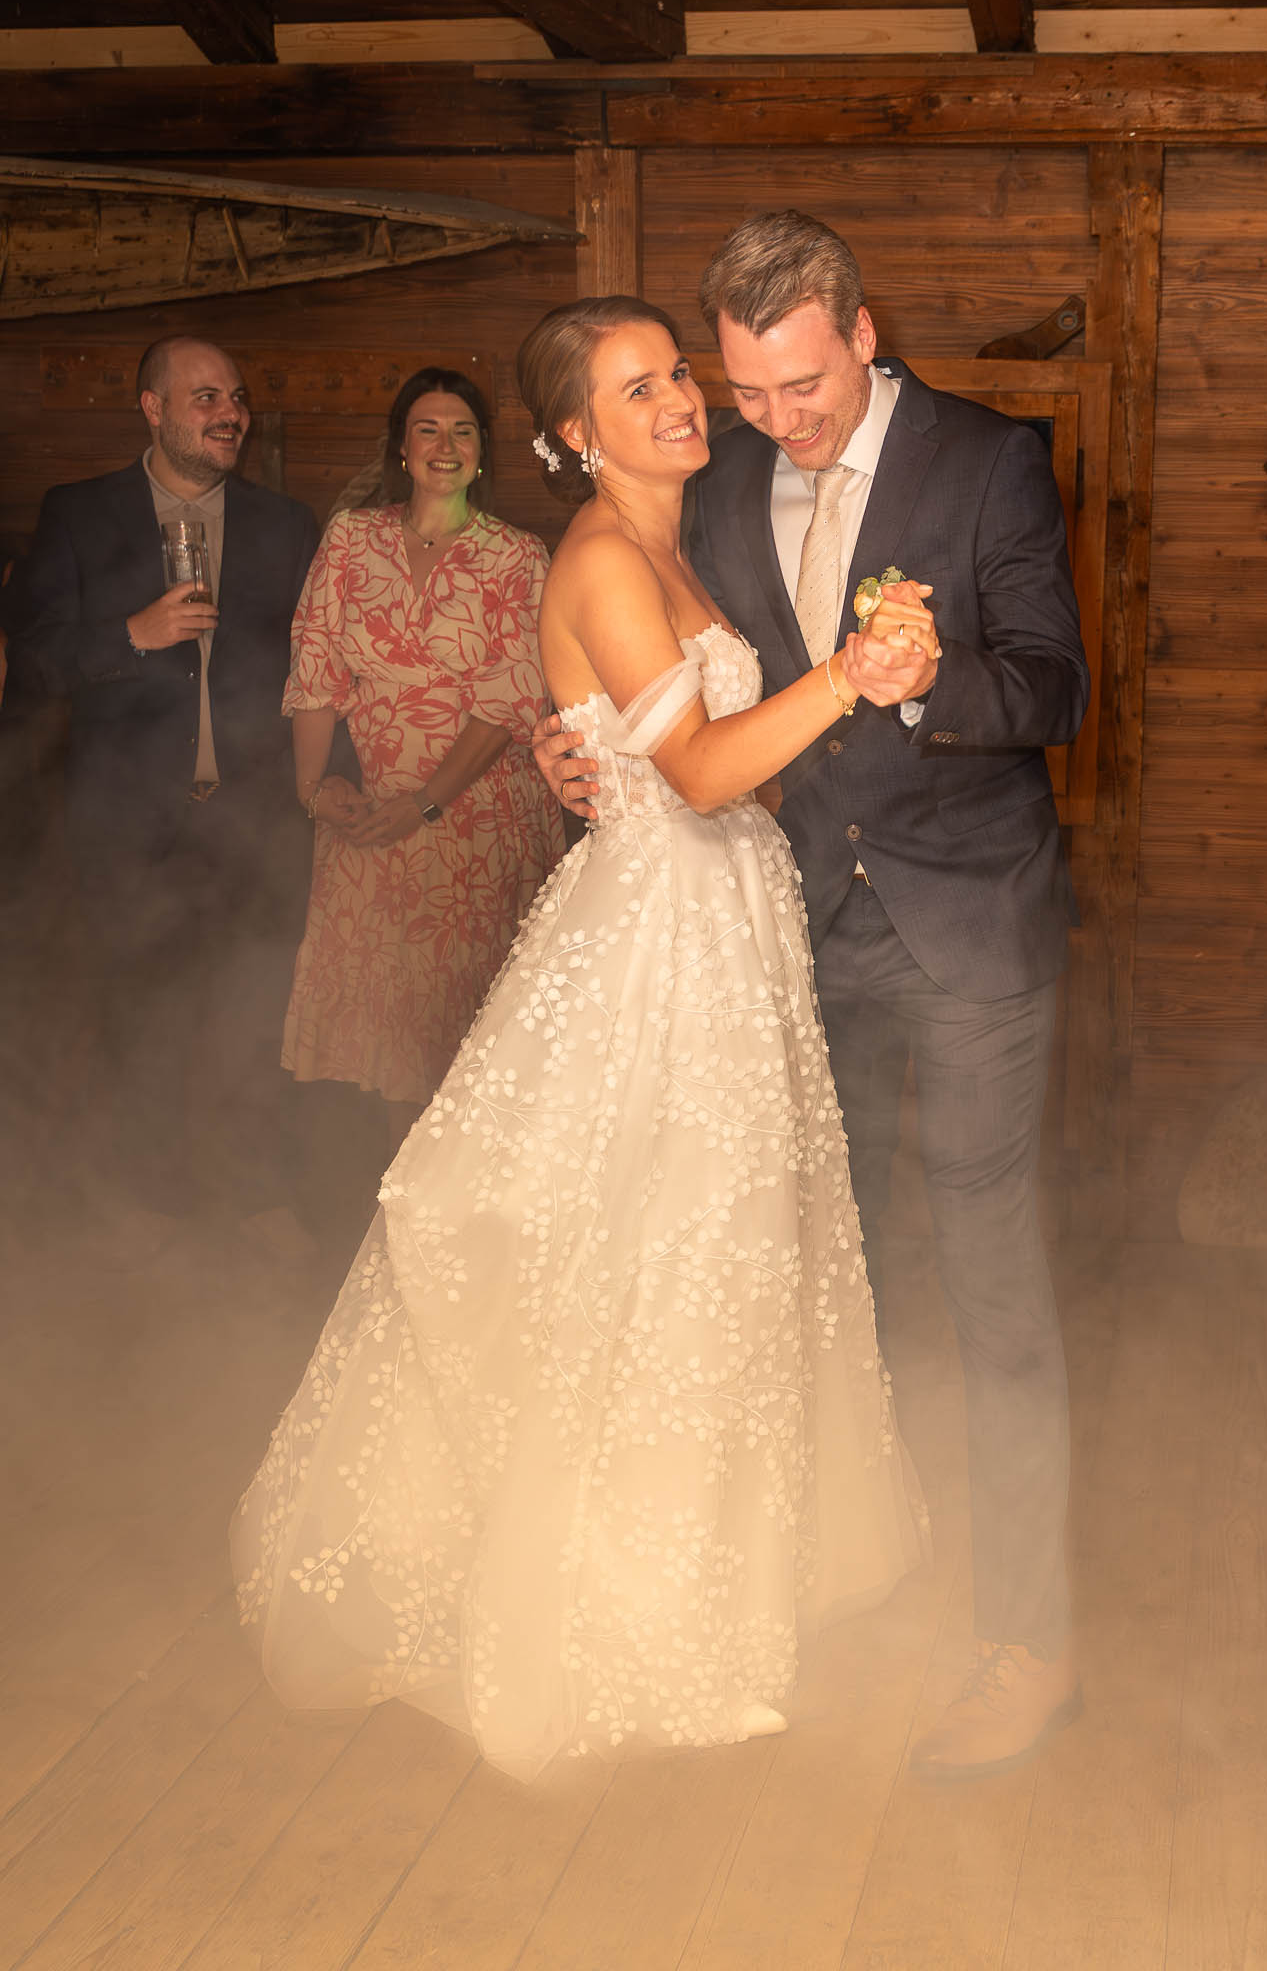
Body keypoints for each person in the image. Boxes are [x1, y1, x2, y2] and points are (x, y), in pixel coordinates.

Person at [231, 297, 927, 1783]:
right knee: (656, 1250)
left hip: (727, 925)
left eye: (675, 372)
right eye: (634, 389)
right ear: (572, 435)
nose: (677, 399)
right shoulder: (606, 556)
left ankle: (708, 1586)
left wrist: (617, 739)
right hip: (657, 943)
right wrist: (845, 678)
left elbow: (704, 767)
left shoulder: (682, 535)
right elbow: (696, 777)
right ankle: (621, 1615)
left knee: (723, 1255)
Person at [535, 213, 1090, 1781]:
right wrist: (565, 743)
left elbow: (1056, 684)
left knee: (989, 1282)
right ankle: (858, 1561)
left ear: (860, 332)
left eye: (804, 387)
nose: (775, 421)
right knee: (824, 1273)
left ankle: (1028, 1642)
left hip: (970, 929)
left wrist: (933, 682)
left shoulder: (986, 460)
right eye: (746, 392)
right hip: (786, 942)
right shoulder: (706, 476)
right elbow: (637, 651)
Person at [0, 335, 320, 1228]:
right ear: (152, 408)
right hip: (126, 828)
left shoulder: (286, 525)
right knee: (138, 1025)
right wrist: (129, 637)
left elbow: (319, 673)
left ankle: (243, 1212)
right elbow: (32, 664)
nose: (230, 413)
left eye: (237, 397)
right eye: (205, 397)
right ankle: (148, 1217)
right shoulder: (80, 513)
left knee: (248, 1022)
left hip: (252, 825)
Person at [279, 368, 563, 1137]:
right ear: (400, 448)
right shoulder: (350, 538)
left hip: (478, 820)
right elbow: (315, 671)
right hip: (369, 816)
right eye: (428, 429)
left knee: (468, 1040)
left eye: (462, 430)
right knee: (383, 1040)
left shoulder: (517, 556)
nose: (445, 445)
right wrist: (314, 789)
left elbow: (509, 697)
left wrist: (426, 803)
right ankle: (383, 1193)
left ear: (482, 452)